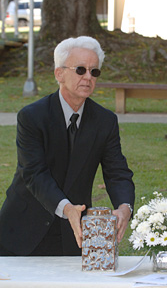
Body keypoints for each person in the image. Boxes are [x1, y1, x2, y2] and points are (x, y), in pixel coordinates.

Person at [0, 36, 135, 256]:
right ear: (59, 73)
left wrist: (124, 207)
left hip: (74, 234)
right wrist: (66, 207)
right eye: (80, 70)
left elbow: (117, 172)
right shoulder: (32, 117)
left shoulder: (105, 121)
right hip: (22, 230)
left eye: (94, 71)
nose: (88, 77)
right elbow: (34, 173)